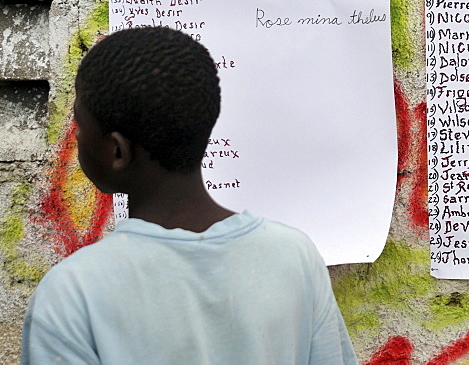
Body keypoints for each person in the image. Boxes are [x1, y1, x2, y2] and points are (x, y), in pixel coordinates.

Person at [21, 26, 358, 365]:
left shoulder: (72, 295)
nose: (77, 137)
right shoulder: (294, 257)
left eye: (80, 125)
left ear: (118, 151)